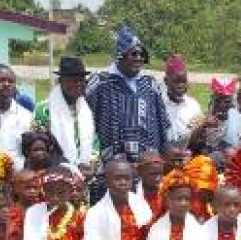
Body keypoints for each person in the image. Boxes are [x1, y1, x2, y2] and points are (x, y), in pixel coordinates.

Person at [85, 27, 170, 164]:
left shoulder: (149, 83)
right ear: (121, 54)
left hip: (146, 162)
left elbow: (161, 123)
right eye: (134, 54)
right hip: (112, 163)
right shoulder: (101, 81)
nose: (139, 58)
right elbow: (85, 118)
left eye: (142, 55)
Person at [33, 56, 95, 173]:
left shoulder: (86, 110)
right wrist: (62, 167)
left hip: (83, 174)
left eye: (81, 80)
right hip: (53, 173)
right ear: (60, 81)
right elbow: (38, 146)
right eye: (71, 80)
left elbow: (94, 142)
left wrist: (90, 164)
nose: (77, 84)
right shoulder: (44, 110)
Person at [162, 55, 203, 147]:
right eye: (176, 81)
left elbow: (196, 140)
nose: (181, 86)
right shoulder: (158, 104)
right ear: (166, 81)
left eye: (184, 81)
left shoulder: (194, 106)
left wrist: (202, 127)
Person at [136, 150, 165, 215]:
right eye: (153, 174)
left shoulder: (169, 192)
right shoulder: (130, 195)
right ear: (140, 172)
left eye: (160, 174)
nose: (158, 178)